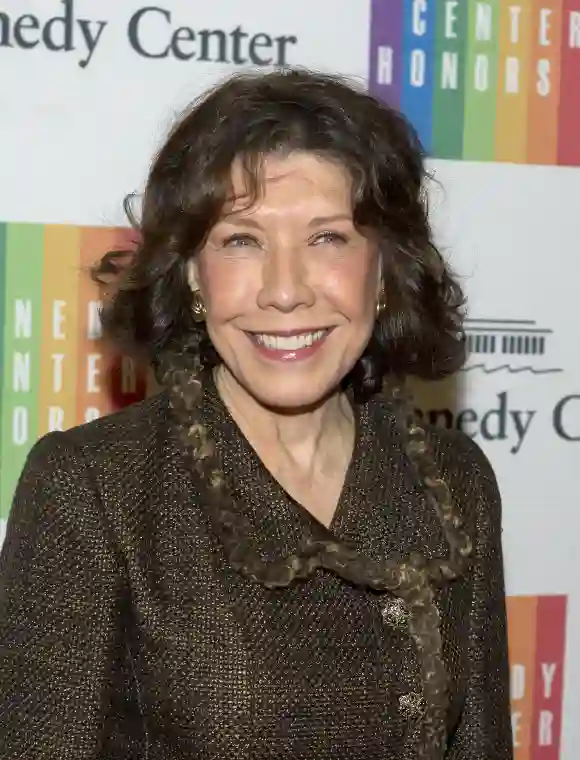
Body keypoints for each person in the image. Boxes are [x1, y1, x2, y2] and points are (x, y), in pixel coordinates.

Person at [0, 69, 513, 759]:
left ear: (385, 269)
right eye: (241, 240)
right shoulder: (96, 488)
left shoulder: (455, 484)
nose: (284, 292)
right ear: (191, 274)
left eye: (327, 238)